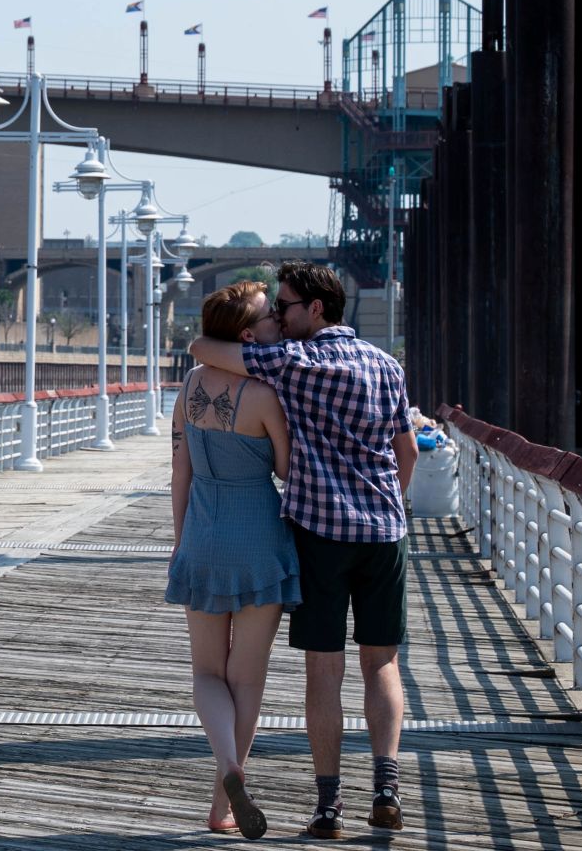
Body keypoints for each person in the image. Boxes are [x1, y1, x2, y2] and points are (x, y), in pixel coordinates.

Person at [188, 261, 418, 838]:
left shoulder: (292, 363)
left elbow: (206, 351)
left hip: (320, 536)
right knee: (382, 662)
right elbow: (407, 450)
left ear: (316, 309)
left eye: (286, 307)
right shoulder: (387, 366)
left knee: (325, 668)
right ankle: (386, 785)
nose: (280, 317)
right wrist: (390, 507)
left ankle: (327, 808)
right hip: (384, 534)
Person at [166, 280, 299, 840]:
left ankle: (227, 769)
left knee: (205, 672)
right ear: (247, 335)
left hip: (203, 532)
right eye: (270, 320)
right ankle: (222, 800)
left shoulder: (191, 385)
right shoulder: (266, 396)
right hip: (259, 538)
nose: (278, 327)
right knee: (247, 679)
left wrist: (181, 542)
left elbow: (180, 471)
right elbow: (288, 472)